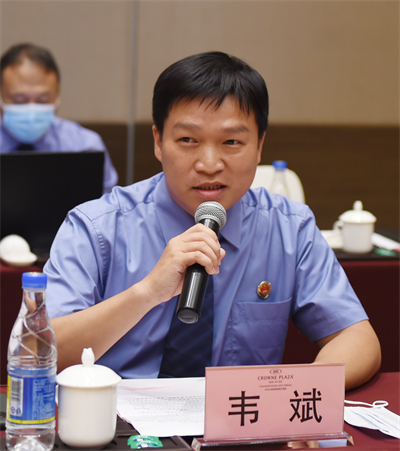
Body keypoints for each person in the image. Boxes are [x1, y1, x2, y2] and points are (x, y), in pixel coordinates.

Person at [44, 51, 381, 390]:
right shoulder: (97, 227)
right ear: (158, 142)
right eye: (188, 140)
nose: (209, 164)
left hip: (242, 414)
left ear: (259, 145)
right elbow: (41, 351)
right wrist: (147, 292)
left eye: (231, 142)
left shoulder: (290, 229)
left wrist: (295, 392)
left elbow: (356, 338)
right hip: (118, 417)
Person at [0, 43, 118, 194]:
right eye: (19, 100)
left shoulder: (84, 145)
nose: (32, 109)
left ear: (57, 96)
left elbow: (108, 203)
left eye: (43, 100)